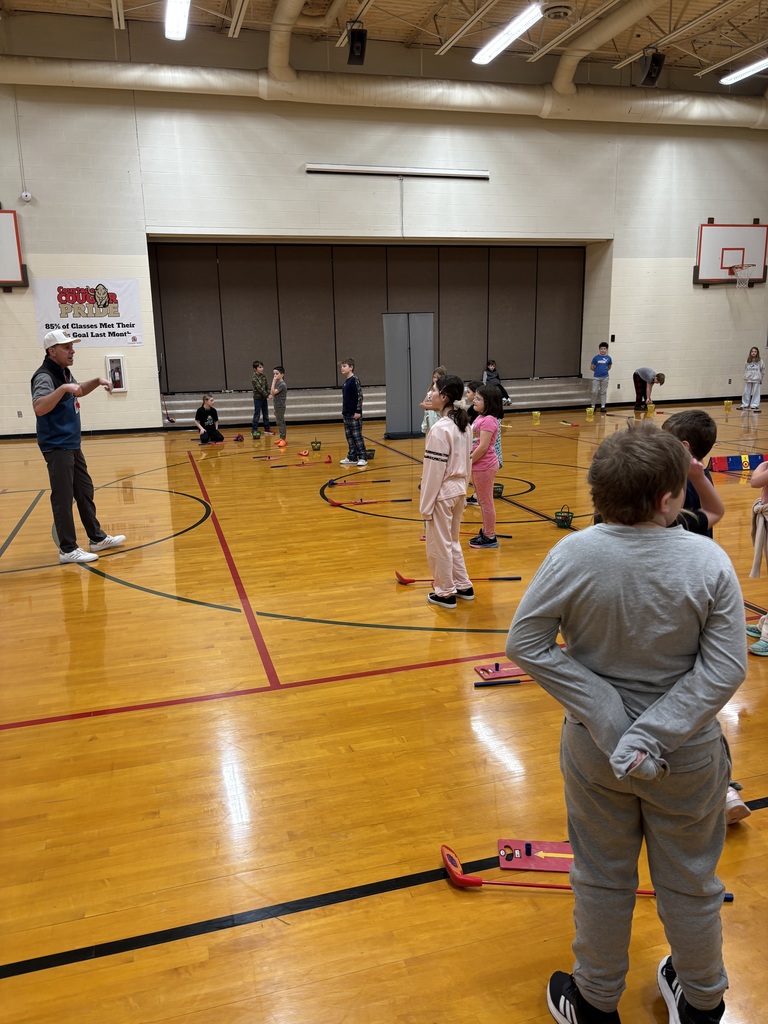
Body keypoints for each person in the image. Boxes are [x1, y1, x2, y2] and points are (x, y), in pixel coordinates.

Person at [506, 422, 746, 1024]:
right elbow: (724, 669)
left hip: (596, 752)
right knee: (691, 880)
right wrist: (646, 732)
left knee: (601, 875)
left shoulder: (572, 554)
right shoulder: (708, 560)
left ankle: (595, 1001)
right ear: (668, 500)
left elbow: (526, 643)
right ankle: (702, 1001)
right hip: (687, 756)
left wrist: (613, 721)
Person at [661, 411, 749, 824]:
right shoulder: (696, 480)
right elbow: (716, 511)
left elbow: (709, 515)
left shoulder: (674, 494)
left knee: (694, 707)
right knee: (693, 703)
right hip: (693, 599)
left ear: (683, 449)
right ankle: (719, 786)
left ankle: (723, 787)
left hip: (685, 599)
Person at [31, 329, 126, 564]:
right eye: (66, 347)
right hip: (57, 446)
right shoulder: (44, 376)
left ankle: (97, 538)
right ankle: (68, 549)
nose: (72, 351)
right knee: (63, 498)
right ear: (52, 351)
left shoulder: (63, 372)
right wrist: (63, 389)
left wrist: (98, 380)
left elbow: (79, 390)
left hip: (72, 444)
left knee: (84, 492)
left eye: (72, 347)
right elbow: (39, 407)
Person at [419, 375, 473, 609]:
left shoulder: (440, 429)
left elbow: (433, 472)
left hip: (443, 493)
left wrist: (426, 506)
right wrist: (464, 489)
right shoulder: (465, 424)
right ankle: (463, 585)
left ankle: (445, 592)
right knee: (452, 541)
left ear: (444, 397)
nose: (430, 393)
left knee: (439, 545)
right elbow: (468, 463)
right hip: (459, 490)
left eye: (434, 390)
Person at [469, 384, 502, 549]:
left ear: (488, 402)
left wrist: (468, 462)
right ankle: (487, 532)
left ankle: (490, 536)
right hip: (478, 465)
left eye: (478, 399)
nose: (474, 400)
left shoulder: (489, 420)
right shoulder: (481, 417)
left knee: (486, 502)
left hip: (484, 466)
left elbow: (483, 447)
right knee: (483, 501)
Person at [339, 359, 368, 467]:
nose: (342, 368)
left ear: (351, 367)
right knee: (349, 436)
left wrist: (358, 411)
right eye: (341, 366)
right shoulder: (346, 382)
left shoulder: (354, 380)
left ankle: (363, 457)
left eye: (344, 366)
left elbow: (359, 396)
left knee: (357, 436)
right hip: (346, 413)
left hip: (354, 413)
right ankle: (352, 456)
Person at [420, 365, 448, 435]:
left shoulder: (444, 391)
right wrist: (428, 405)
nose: (435, 379)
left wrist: (427, 406)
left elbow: (439, 406)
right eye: (434, 377)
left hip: (439, 417)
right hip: (431, 417)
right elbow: (424, 402)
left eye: (438, 378)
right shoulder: (430, 390)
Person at [251, 360, 273, 436]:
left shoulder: (263, 376)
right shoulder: (254, 378)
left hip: (264, 398)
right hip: (258, 398)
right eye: (260, 367)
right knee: (257, 414)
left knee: (265, 414)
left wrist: (269, 393)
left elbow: (266, 386)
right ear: (255, 369)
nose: (262, 368)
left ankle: (267, 429)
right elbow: (259, 389)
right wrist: (267, 395)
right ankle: (254, 430)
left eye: (262, 367)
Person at [739, 346, 764, 411]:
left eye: (755, 351)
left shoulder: (760, 361)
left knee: (756, 392)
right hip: (748, 378)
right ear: (750, 352)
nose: (753, 353)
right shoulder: (748, 360)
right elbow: (745, 369)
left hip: (756, 379)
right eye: (752, 351)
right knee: (746, 392)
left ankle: (754, 405)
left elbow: (762, 370)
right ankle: (745, 404)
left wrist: (761, 378)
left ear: (757, 353)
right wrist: (745, 376)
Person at [589, 342, 612, 413]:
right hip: (596, 377)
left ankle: (603, 406)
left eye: (604, 349)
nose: (603, 350)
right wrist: (597, 371)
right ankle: (593, 406)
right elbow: (591, 367)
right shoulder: (596, 358)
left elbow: (609, 367)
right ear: (599, 349)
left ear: (606, 350)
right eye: (601, 349)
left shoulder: (608, 358)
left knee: (603, 392)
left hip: (605, 377)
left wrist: (604, 371)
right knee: (594, 391)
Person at [270, 366, 288, 447]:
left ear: (282, 375)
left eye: (277, 374)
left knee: (280, 422)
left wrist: (273, 382)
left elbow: (273, 392)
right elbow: (273, 393)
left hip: (280, 406)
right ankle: (281, 438)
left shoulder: (282, 384)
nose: (275, 376)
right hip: (277, 406)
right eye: (274, 374)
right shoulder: (279, 384)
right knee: (280, 421)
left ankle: (283, 439)